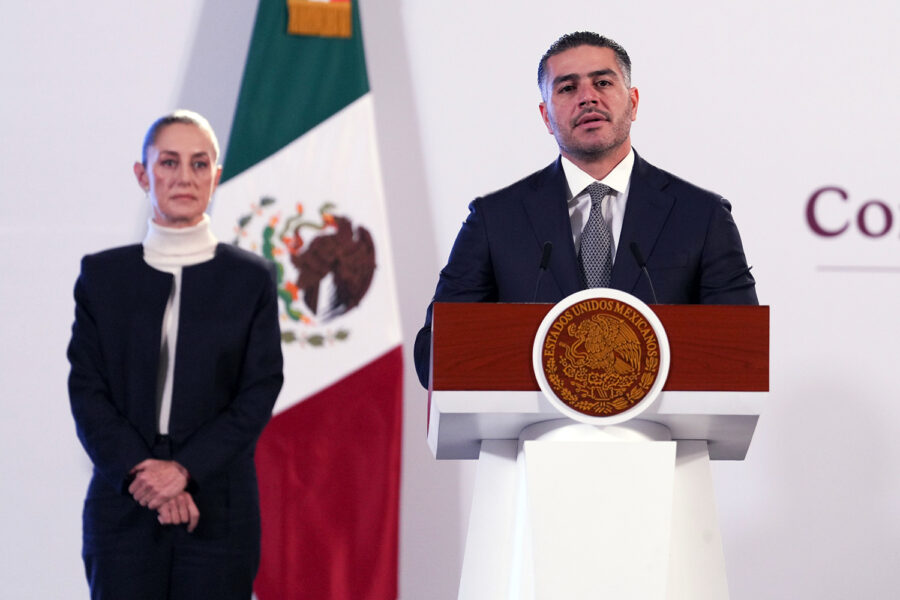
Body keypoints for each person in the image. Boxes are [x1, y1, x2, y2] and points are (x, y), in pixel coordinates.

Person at [414, 32, 758, 388]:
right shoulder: (495, 220)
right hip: (533, 439)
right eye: (567, 88)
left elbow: (742, 354)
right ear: (546, 116)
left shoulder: (701, 217)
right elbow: (433, 356)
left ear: (634, 102)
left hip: (661, 439)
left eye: (603, 82)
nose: (588, 98)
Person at [67, 110, 284, 599]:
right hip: (124, 505)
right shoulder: (102, 278)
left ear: (216, 176)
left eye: (199, 163)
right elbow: (88, 391)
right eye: (168, 162)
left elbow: (257, 392)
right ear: (143, 174)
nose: (184, 177)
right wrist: (145, 477)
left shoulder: (250, 280)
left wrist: (184, 472)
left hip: (218, 510)